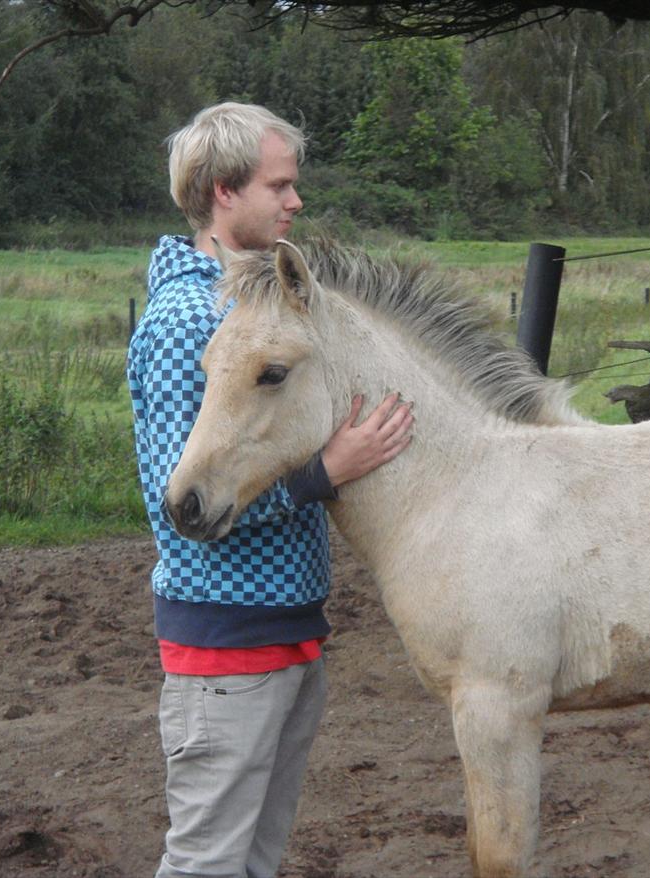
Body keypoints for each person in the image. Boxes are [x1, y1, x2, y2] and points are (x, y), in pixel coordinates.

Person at [127, 102, 413, 878]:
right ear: (224, 190)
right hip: (227, 644)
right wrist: (326, 474)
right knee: (209, 863)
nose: (296, 201)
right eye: (279, 185)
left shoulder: (250, 303)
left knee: (252, 860)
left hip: (279, 634)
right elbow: (177, 505)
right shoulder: (193, 319)